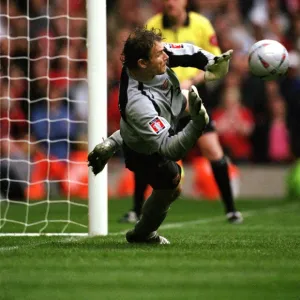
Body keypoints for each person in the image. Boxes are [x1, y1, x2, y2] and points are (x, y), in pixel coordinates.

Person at [88, 26, 233, 244]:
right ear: (142, 63)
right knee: (172, 184)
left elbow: (186, 51)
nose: (166, 55)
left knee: (184, 99)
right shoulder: (137, 103)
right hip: (143, 150)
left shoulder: (151, 56)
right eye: (160, 54)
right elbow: (168, 148)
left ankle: (113, 141)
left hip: (169, 104)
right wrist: (196, 125)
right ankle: (143, 233)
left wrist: (211, 63)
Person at [118, 0, 243, 224]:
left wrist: (196, 78)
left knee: (213, 151)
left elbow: (209, 61)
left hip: (191, 97)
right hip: (160, 100)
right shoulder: (153, 24)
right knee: (148, 150)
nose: (169, 2)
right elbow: (146, 61)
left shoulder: (202, 24)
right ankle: (137, 209)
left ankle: (231, 209)